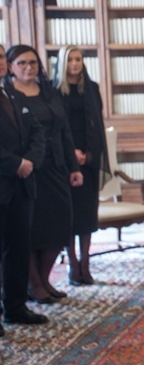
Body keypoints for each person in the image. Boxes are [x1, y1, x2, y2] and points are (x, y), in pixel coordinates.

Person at [4, 45, 83, 305]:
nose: (29, 68)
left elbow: (65, 131)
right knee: (29, 230)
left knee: (59, 225)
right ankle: (33, 284)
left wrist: (73, 166)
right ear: (12, 67)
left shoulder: (49, 92)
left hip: (55, 167)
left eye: (33, 63)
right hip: (25, 171)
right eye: (22, 63)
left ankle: (44, 279)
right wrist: (26, 163)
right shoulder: (9, 94)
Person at [0, 44, 48, 333]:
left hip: (22, 186)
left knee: (18, 249)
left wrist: (30, 161)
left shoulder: (12, 94)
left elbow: (37, 132)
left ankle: (15, 308)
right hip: (4, 181)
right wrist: (15, 163)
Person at [54, 45, 110, 286]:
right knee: (68, 216)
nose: (74, 64)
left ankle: (86, 263)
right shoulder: (54, 90)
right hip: (64, 162)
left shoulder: (92, 88)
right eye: (70, 60)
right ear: (62, 63)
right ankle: (72, 264)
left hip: (88, 159)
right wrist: (71, 154)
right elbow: (55, 128)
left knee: (87, 216)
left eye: (78, 59)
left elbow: (97, 124)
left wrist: (88, 153)